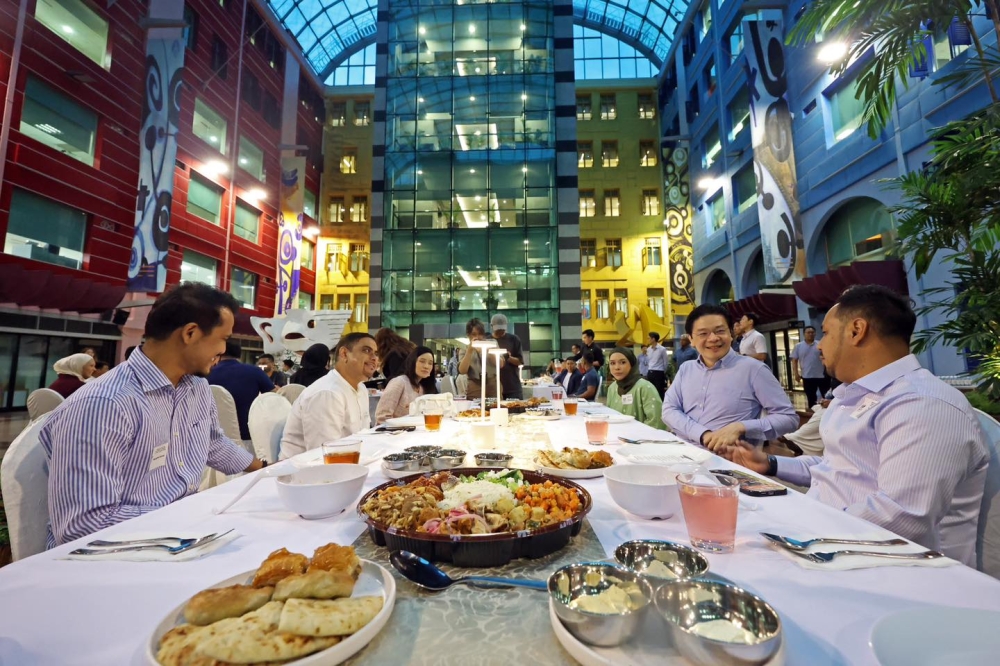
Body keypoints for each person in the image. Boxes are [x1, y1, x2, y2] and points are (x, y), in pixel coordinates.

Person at [718, 285, 989, 566]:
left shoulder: (923, 405)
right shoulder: (853, 396)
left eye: (826, 332)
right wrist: (770, 465)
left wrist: (794, 525)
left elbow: (901, 517)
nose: (819, 344)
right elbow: (835, 469)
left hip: (892, 569)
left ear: (856, 330)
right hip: (829, 547)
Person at [40, 283, 265, 547]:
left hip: (178, 537)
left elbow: (211, 442)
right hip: (111, 556)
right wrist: (194, 516)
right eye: (223, 339)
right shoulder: (104, 404)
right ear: (190, 333)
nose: (223, 351)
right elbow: (85, 524)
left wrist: (264, 469)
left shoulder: (195, 387)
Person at [662, 304, 798, 449]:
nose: (713, 338)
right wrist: (703, 434)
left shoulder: (754, 370)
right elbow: (669, 410)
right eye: (703, 333)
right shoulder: (686, 369)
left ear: (731, 334)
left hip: (729, 461)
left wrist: (741, 427)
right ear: (691, 340)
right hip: (684, 455)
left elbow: (788, 418)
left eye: (720, 331)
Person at [280, 333, 379, 460]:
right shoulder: (327, 393)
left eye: (376, 353)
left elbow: (362, 438)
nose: (374, 358)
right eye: (366, 350)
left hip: (348, 462)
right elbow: (324, 455)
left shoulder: (361, 389)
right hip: (304, 472)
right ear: (344, 354)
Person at [208, 339, 276, 441]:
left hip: (211, 435)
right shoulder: (255, 371)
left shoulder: (207, 374)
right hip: (247, 435)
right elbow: (274, 398)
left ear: (219, 353)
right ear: (238, 355)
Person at [375, 346, 437, 424]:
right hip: (392, 433)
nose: (426, 366)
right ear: (412, 362)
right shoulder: (399, 382)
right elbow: (382, 417)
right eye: (422, 361)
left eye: (430, 363)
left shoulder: (422, 388)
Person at [606, 348, 665, 430]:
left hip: (642, 439)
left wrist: (635, 436)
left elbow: (656, 421)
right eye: (612, 363)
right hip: (617, 437)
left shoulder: (645, 387)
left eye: (623, 362)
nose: (617, 367)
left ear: (632, 364)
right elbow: (610, 416)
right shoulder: (612, 388)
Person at [459, 318, 499, 399]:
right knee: (474, 409)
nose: (477, 337)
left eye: (480, 334)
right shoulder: (464, 348)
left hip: (492, 383)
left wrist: (487, 350)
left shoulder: (492, 344)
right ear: (468, 335)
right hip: (474, 384)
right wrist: (469, 351)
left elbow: (500, 364)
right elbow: (462, 370)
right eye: (474, 334)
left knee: (495, 407)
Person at [792, 325, 829, 408]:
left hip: (822, 376)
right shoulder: (798, 346)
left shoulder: (820, 344)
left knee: (826, 396)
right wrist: (796, 374)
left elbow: (827, 357)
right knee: (811, 397)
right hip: (807, 376)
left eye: (812, 332)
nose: (810, 334)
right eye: (808, 332)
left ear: (815, 333)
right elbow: (794, 360)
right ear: (804, 334)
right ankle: (813, 413)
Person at [491, 314, 524, 399]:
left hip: (512, 387)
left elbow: (520, 361)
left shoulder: (514, 339)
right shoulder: (488, 341)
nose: (500, 332)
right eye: (498, 329)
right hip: (493, 387)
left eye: (502, 329)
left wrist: (508, 357)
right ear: (492, 327)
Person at [645, 332, 668, 398]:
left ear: (653, 339)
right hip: (650, 372)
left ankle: (661, 405)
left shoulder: (662, 349)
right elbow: (649, 361)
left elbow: (665, 362)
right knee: (650, 390)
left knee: (659, 390)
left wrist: (663, 372)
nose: (648, 340)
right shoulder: (648, 349)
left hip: (659, 372)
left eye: (649, 338)